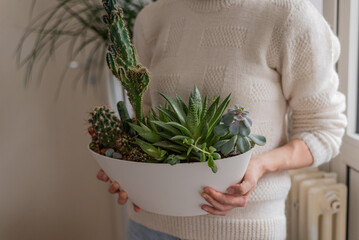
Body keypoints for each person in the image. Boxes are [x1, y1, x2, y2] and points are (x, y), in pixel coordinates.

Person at [97, 0, 347, 239]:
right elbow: (147, 117)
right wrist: (124, 166)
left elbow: (324, 129)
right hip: (149, 226)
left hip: (244, 229)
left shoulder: (289, 16)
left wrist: (259, 166)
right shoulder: (152, 19)